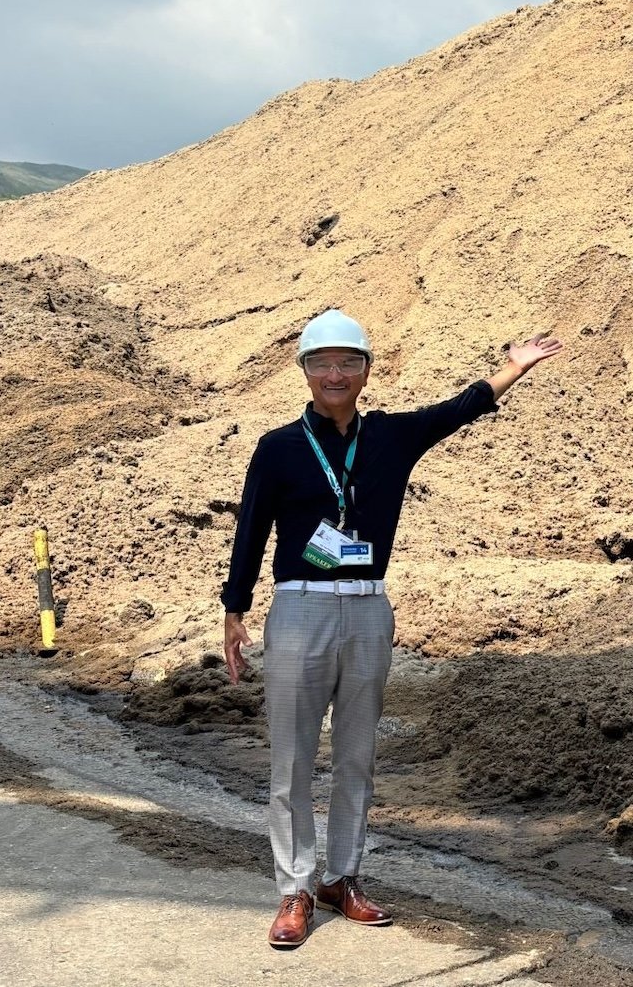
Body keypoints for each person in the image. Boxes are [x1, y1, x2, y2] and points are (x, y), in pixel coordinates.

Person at [220, 308, 562, 948]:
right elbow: (251, 530)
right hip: (300, 606)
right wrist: (234, 610)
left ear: (367, 371)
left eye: (349, 362)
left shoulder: (391, 438)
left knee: (356, 755)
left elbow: (458, 409)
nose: (335, 373)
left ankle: (341, 878)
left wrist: (512, 368)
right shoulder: (278, 447)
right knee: (292, 760)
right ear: (304, 371)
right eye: (322, 363)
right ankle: (295, 887)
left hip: (370, 608)